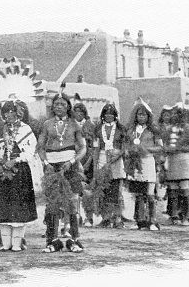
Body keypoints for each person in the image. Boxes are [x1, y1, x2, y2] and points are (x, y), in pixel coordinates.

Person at [0, 100, 38, 251]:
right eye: (6, 112)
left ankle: (16, 243)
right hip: (1, 171)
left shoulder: (25, 129)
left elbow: (30, 151)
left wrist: (15, 160)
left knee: (18, 207)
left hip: (19, 171)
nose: (9, 115)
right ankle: (6, 243)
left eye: (12, 111)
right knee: (2, 207)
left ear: (18, 113)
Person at [37, 93, 86, 253]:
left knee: (71, 203)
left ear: (68, 107)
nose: (59, 106)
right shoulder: (47, 124)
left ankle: (74, 240)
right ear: (52, 107)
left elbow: (83, 147)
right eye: (56, 104)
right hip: (52, 167)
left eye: (63, 104)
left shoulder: (74, 124)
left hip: (69, 166)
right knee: (52, 204)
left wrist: (71, 162)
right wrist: (46, 163)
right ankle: (52, 241)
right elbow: (40, 147)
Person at [125, 100, 163, 230]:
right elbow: (127, 145)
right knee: (138, 193)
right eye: (139, 114)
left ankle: (152, 220)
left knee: (149, 192)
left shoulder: (153, 130)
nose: (141, 117)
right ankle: (139, 221)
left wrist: (146, 149)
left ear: (148, 116)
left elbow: (160, 148)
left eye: (144, 115)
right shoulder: (131, 130)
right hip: (135, 163)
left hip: (147, 161)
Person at [92, 104, 128, 228]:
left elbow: (124, 148)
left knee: (116, 189)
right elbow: (96, 148)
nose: (108, 116)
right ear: (103, 115)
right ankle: (106, 218)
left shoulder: (121, 129)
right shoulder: (97, 129)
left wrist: (115, 157)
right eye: (106, 113)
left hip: (116, 160)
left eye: (111, 114)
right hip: (102, 158)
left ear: (115, 116)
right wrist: (96, 164)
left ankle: (117, 218)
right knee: (104, 190)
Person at [163, 103, 189, 226]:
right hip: (172, 160)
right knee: (172, 189)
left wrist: (178, 148)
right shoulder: (168, 129)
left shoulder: (188, 129)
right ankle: (174, 215)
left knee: (184, 189)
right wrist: (167, 149)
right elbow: (165, 144)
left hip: (184, 160)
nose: (172, 116)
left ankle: (187, 216)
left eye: (175, 114)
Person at [73, 99, 96, 226]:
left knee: (88, 190)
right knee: (75, 189)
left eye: (81, 112)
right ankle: (77, 216)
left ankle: (89, 216)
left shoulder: (91, 126)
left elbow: (93, 147)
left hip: (88, 161)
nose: (78, 114)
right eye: (76, 112)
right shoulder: (70, 126)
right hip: (74, 160)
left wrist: (88, 162)